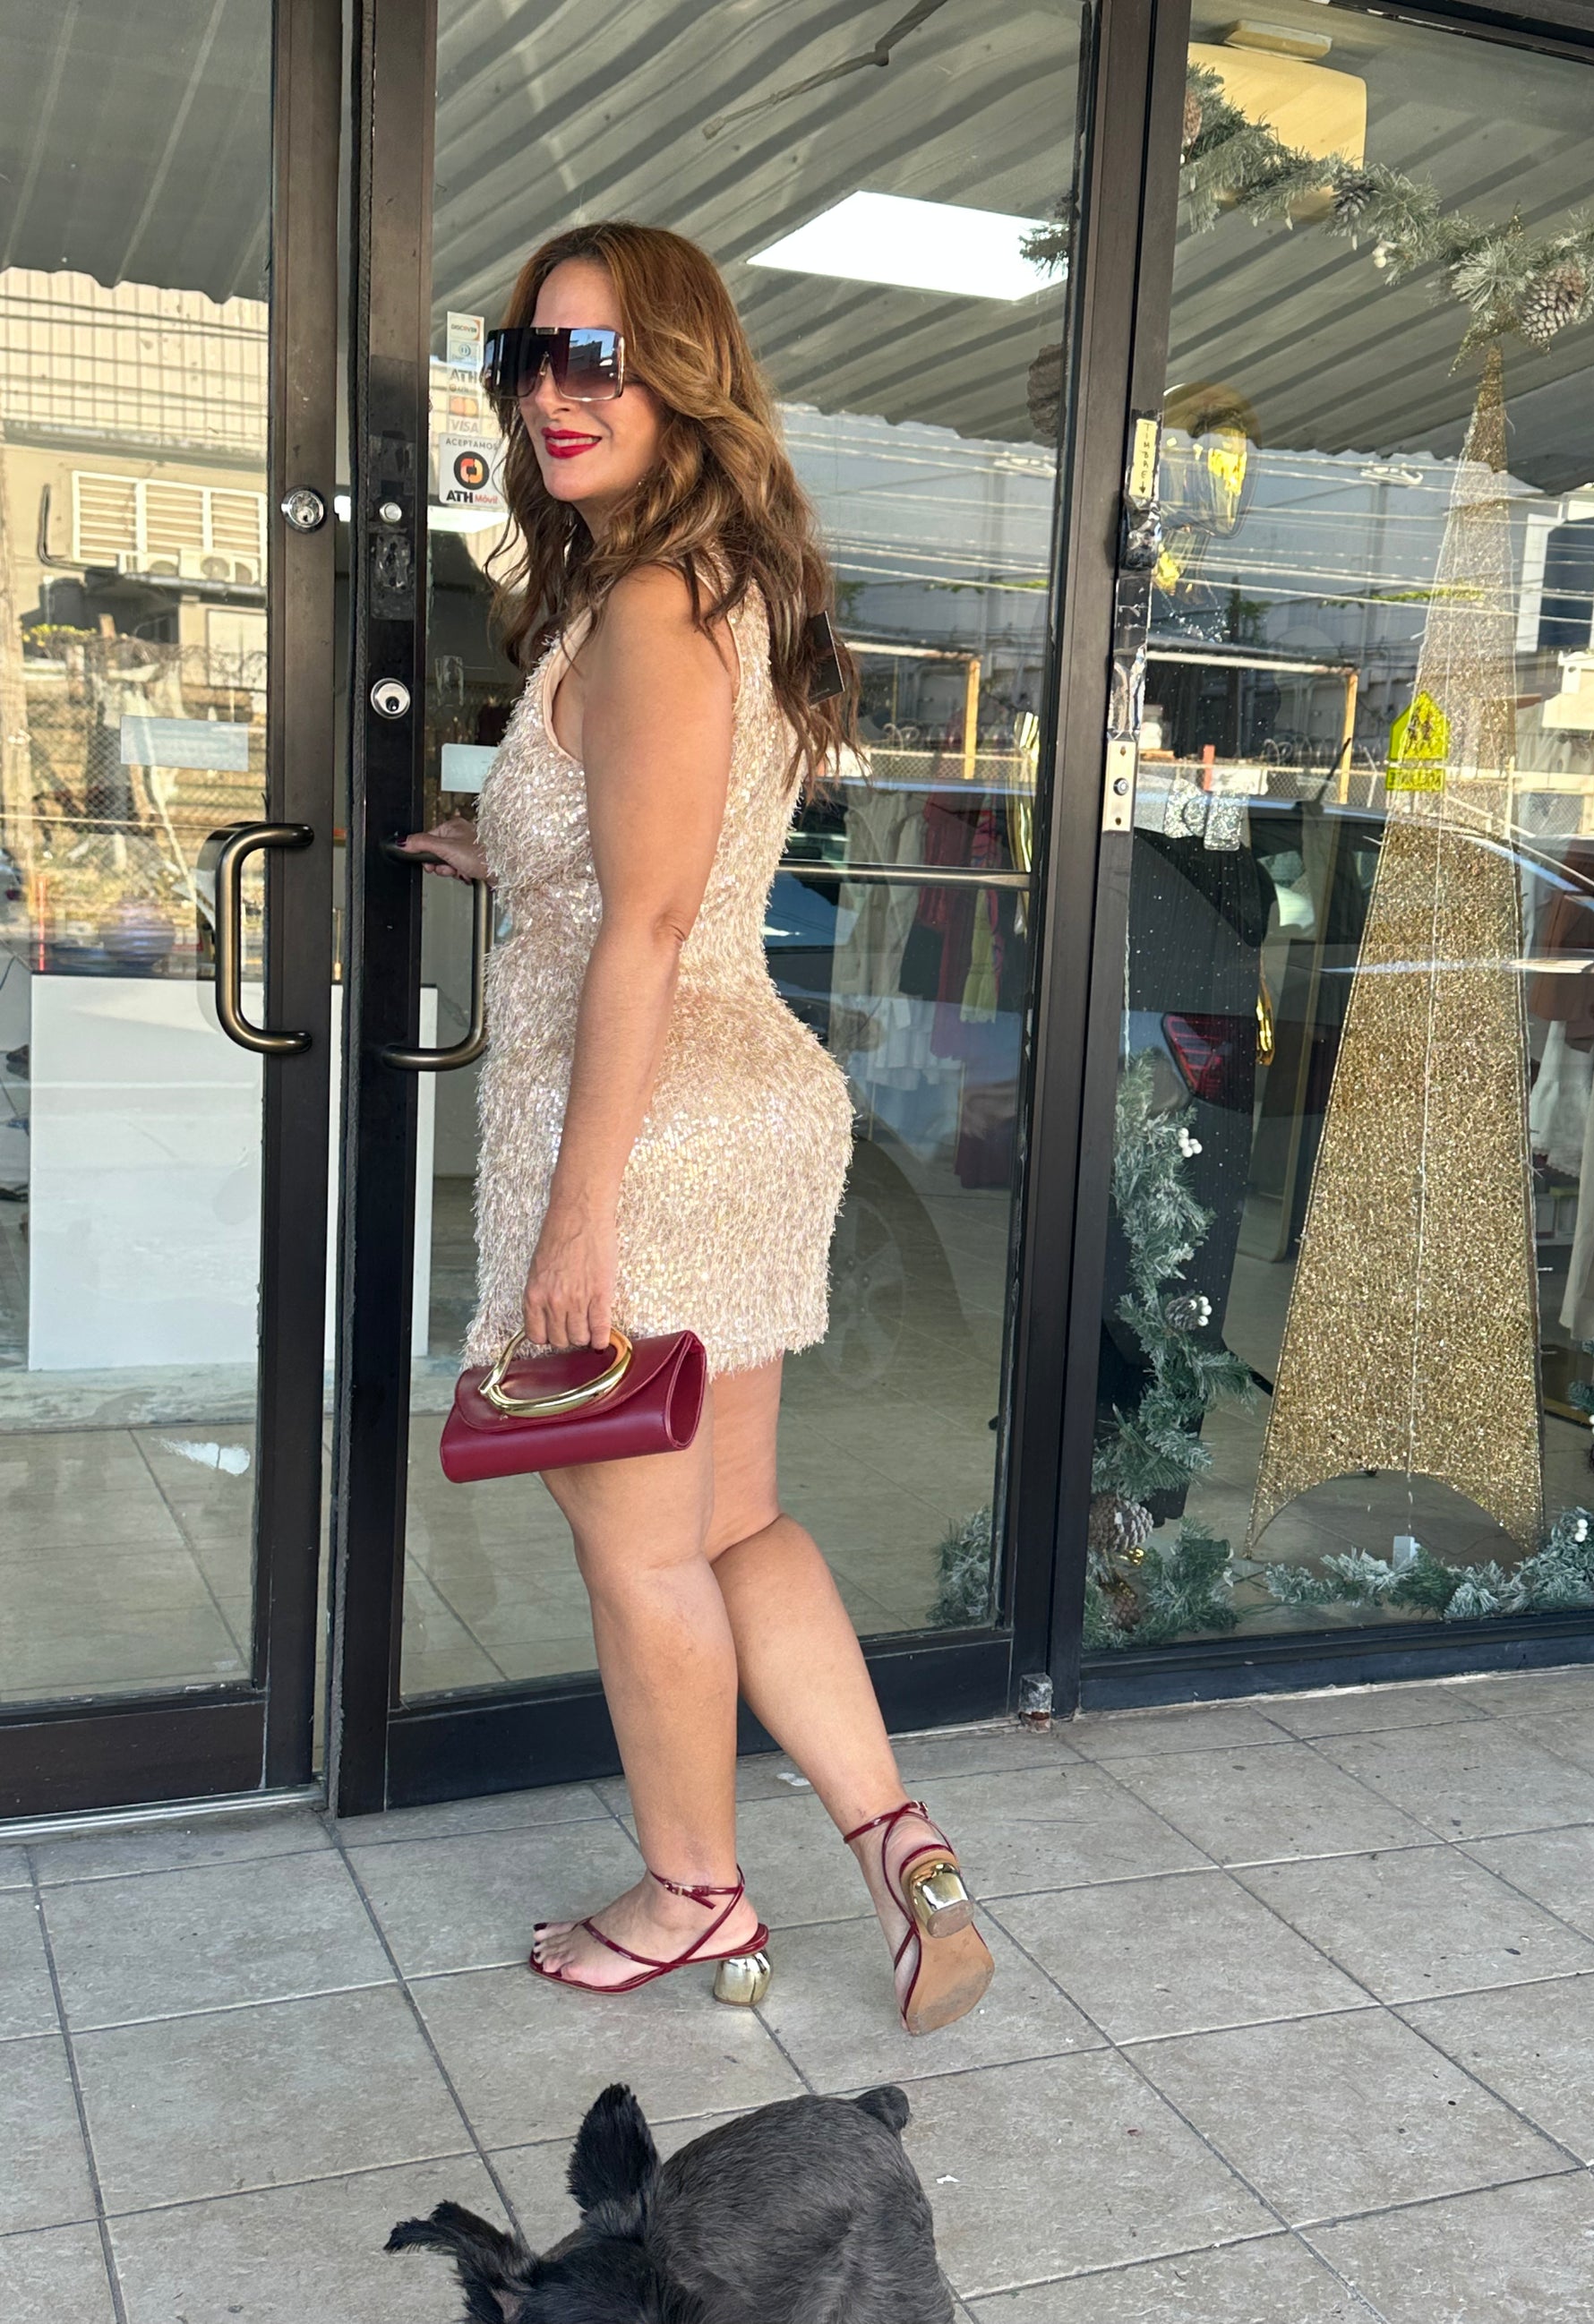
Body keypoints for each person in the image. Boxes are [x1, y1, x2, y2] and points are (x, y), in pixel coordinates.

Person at [403, 222, 994, 2036]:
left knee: (637, 1543)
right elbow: (650, 864)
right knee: (730, 1520)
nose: (551, 391)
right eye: (527, 355)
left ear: (682, 372)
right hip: (737, 1104)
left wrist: (579, 1219)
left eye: (595, 355)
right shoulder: (719, 585)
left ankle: (693, 1893)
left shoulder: (652, 609)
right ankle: (903, 1852)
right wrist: (505, 851)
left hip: (649, 1134)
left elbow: (651, 920)